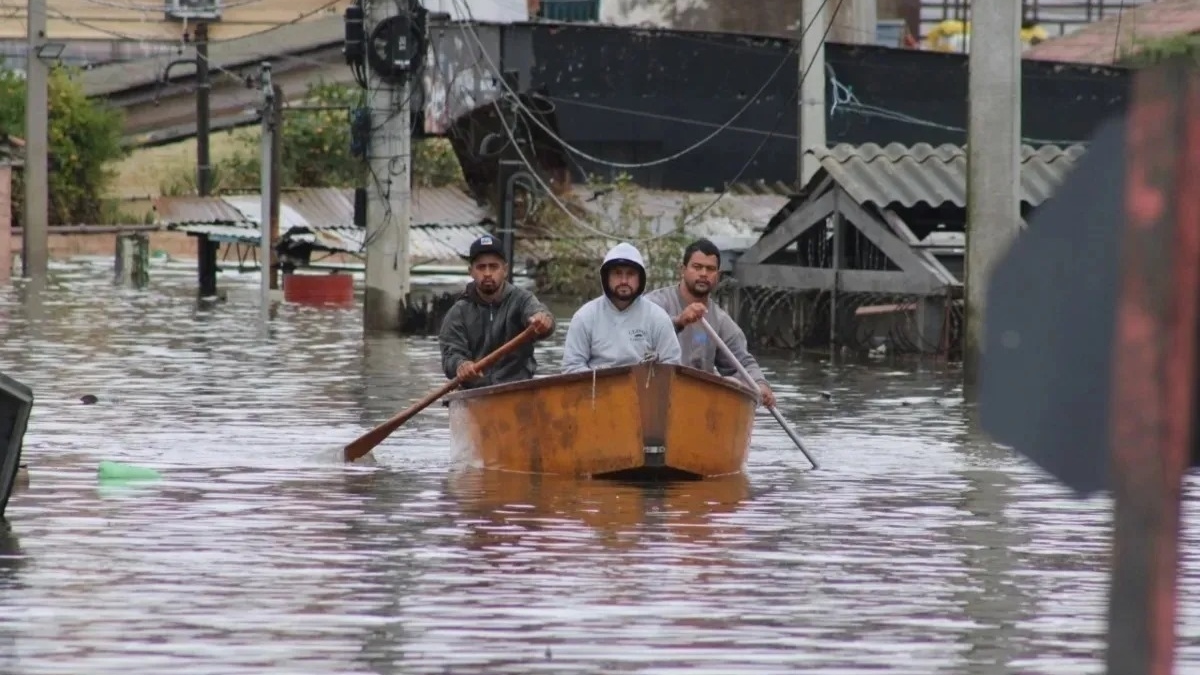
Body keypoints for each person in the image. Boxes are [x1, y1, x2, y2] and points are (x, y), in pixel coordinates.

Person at [643, 238, 777, 407]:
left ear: (717, 276)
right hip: (653, 397)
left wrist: (760, 385)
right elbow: (637, 334)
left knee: (732, 382)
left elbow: (742, 363)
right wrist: (679, 321)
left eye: (710, 269)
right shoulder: (654, 304)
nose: (704, 274)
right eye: (697, 267)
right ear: (682, 270)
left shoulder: (720, 321)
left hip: (696, 404)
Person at [438, 234, 556, 389]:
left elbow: (540, 315)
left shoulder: (522, 299)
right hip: (475, 394)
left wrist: (544, 321)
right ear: (471, 272)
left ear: (505, 270)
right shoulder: (458, 312)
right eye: (481, 267)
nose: (487, 273)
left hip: (517, 389)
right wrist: (461, 365)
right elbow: (450, 355)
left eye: (493, 267)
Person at [561, 242, 682, 374]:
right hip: (597, 391)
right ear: (606, 278)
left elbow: (672, 366)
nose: (624, 281)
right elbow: (571, 368)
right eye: (617, 273)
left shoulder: (658, 317)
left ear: (640, 279)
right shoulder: (585, 317)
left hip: (645, 392)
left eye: (630, 274)